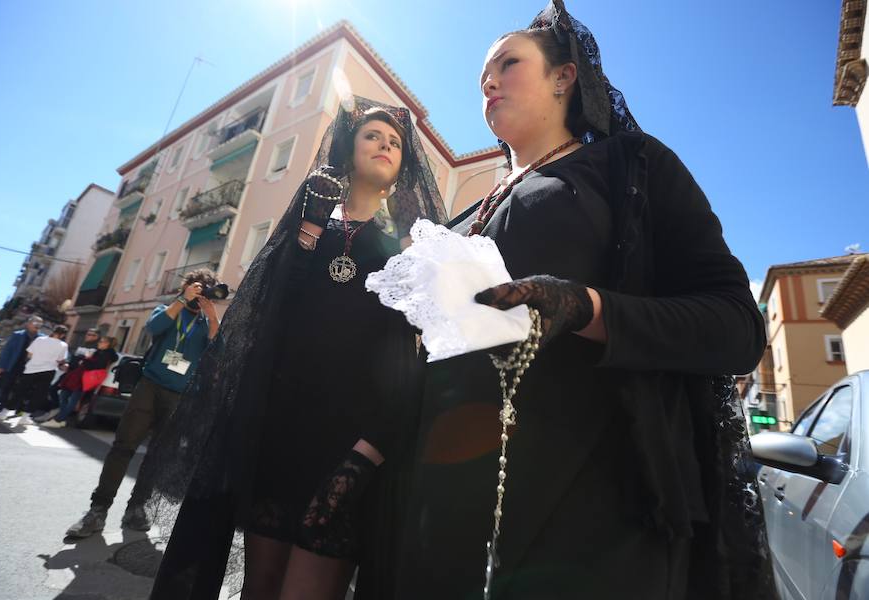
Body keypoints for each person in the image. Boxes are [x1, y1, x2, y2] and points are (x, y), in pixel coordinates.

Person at [394, 3, 776, 599]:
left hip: (597, 514)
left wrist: (586, 308)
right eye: (480, 80)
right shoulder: (466, 216)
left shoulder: (634, 168)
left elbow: (736, 328)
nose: (488, 84)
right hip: (448, 509)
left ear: (564, 76)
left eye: (507, 64)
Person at [140, 97, 447, 600]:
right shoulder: (311, 223)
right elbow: (271, 316)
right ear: (348, 150)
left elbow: (408, 355)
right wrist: (309, 227)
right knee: (259, 586)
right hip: (282, 431)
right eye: (373, 136)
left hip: (348, 443)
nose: (385, 145)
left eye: (394, 142)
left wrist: (368, 451)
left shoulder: (409, 248)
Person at [65, 269, 220, 537]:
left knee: (157, 455)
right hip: (149, 387)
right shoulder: (169, 309)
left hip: (180, 396)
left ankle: (137, 508)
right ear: (185, 287)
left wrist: (213, 315)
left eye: (207, 287)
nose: (202, 291)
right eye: (198, 286)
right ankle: (97, 511)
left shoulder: (207, 323)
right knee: (123, 447)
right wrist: (182, 300)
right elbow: (153, 328)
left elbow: (217, 349)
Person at [41, 336, 118, 428]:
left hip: (84, 378)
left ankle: (58, 420)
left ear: (107, 344)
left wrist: (85, 359)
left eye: (102, 341)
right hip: (79, 376)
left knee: (72, 399)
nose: (99, 343)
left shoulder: (106, 354)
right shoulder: (99, 352)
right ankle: (61, 417)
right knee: (64, 395)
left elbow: (97, 366)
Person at [37, 328, 102, 423]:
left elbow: (86, 362)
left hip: (81, 376)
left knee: (71, 399)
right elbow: (74, 358)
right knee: (54, 390)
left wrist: (79, 361)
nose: (89, 336)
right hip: (70, 373)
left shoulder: (96, 349)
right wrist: (67, 363)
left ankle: (60, 418)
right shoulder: (82, 345)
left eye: (93, 335)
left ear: (97, 337)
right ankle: (57, 409)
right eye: (88, 334)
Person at [8, 325, 69, 426]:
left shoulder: (40, 339)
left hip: (31, 369)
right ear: (63, 335)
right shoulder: (63, 345)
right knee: (38, 394)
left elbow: (29, 354)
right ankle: (25, 417)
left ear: (53, 331)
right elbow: (60, 360)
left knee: (20, 390)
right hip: (48, 371)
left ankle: (5, 411)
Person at [0, 315, 44, 420]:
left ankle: (20, 410)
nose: (37, 325)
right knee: (6, 387)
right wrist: (2, 365)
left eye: (39, 324)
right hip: (14, 365)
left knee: (24, 390)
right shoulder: (17, 335)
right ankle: (2, 407)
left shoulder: (42, 338)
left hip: (30, 368)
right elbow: (7, 351)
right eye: (35, 323)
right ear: (28, 323)